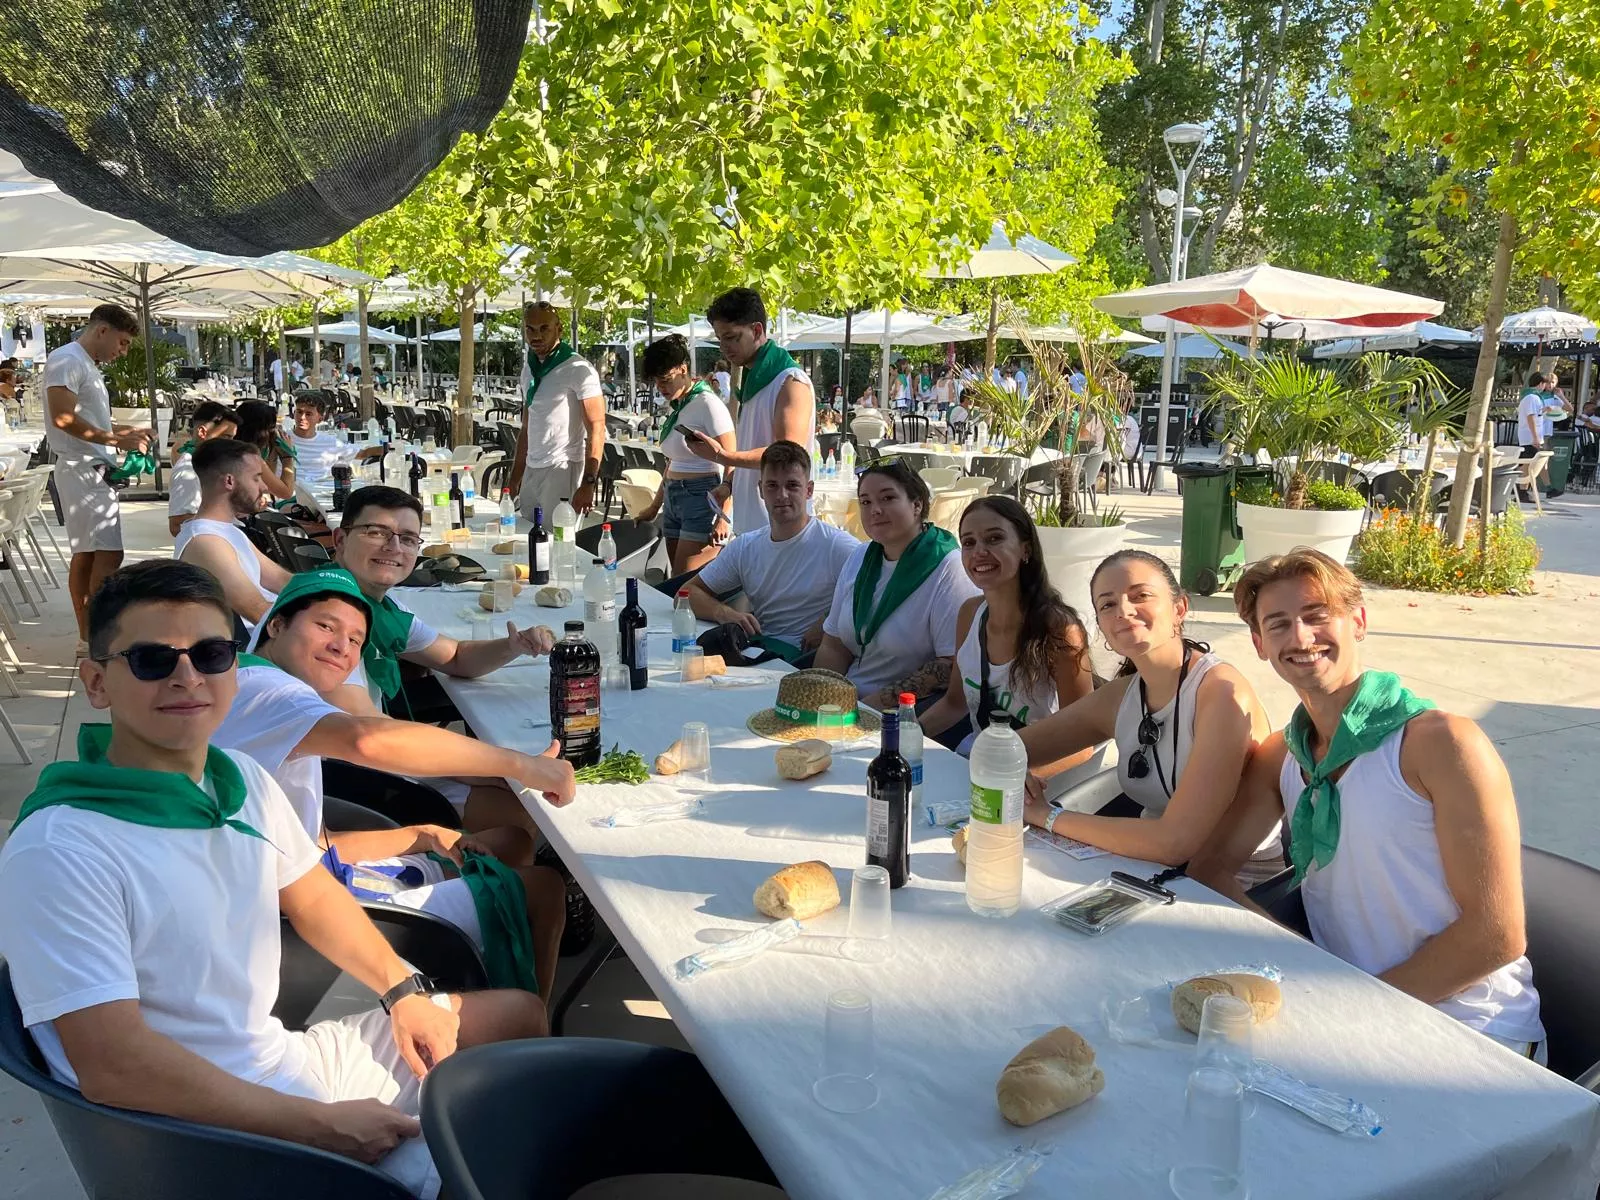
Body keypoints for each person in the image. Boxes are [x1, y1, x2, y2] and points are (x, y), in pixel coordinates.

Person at [0, 560, 547, 1198]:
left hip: (279, 1062)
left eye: (211, 654)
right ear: (97, 682)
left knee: (516, 1019)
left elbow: (312, 894)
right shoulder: (62, 848)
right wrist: (321, 1126)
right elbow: (115, 1067)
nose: (188, 677)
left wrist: (404, 991)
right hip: (209, 1136)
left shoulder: (237, 779)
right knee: (496, 1146)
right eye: (152, 660)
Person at [1189, 550, 1545, 1058]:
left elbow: (1496, 935)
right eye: (1279, 624)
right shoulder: (1283, 754)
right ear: (1260, 644)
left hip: (1472, 1032)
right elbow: (1210, 869)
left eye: (1317, 615)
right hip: (1347, 1017)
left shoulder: (1440, 744)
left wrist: (1349, 1006)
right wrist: (1304, 966)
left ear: (1358, 621)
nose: (1301, 638)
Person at [212, 568, 572, 998]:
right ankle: (518, 1018)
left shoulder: (255, 681)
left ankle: (480, 977)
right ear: (276, 625)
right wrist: (520, 765)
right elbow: (366, 739)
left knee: (512, 841)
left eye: (355, 641)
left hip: (311, 873)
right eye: (325, 626)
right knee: (545, 888)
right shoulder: (268, 691)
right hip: (294, 918)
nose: (341, 647)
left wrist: (422, 834)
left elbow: (311, 842)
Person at [1017, 549, 1281, 882]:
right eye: (1107, 605)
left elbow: (1175, 843)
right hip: (1147, 872)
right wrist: (1012, 771)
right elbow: (1004, 749)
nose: (1123, 611)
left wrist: (1045, 815)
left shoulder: (1221, 694)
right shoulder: (1122, 696)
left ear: (1179, 608)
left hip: (1230, 887)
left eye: (1140, 595)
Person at [325, 486, 557, 835]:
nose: (393, 547)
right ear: (340, 539)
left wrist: (513, 646)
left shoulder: (377, 606)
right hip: (340, 782)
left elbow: (456, 657)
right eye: (376, 532)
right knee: (522, 819)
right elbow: (368, 733)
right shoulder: (328, 617)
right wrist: (496, 767)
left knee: (521, 812)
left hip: (369, 759)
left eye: (407, 538)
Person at [917, 497, 1100, 778]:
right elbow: (955, 704)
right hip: (975, 766)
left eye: (994, 539)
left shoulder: (1059, 630)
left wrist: (1016, 781)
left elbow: (1083, 743)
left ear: (1025, 549)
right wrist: (905, 734)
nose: (979, 552)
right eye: (969, 542)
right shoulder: (969, 614)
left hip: (1032, 780)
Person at [814, 457, 978, 710]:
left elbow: (951, 666)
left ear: (917, 504)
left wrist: (867, 708)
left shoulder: (948, 568)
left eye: (887, 498)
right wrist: (819, 701)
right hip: (846, 703)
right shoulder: (860, 557)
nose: (875, 510)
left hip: (904, 713)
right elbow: (834, 645)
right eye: (866, 502)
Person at [687, 441, 857, 664]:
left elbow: (878, 589)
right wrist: (723, 613)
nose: (782, 495)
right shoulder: (745, 546)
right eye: (772, 486)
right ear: (760, 489)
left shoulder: (836, 545)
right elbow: (687, 593)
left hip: (805, 662)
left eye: (792, 486)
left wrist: (830, 621)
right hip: (758, 652)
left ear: (809, 490)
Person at [44, 302, 152, 651]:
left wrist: (123, 431)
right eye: (122, 342)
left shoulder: (83, 363)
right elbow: (62, 418)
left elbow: (85, 419)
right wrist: (116, 440)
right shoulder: (67, 359)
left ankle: (91, 635)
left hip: (90, 470)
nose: (123, 351)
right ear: (102, 330)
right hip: (81, 470)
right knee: (102, 555)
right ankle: (93, 635)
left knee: (94, 554)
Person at [690, 288, 815, 535]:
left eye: (731, 337)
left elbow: (788, 453)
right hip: (752, 524)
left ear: (757, 331)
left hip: (779, 529)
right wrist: (729, 484)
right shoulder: (752, 380)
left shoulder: (791, 381)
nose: (724, 347)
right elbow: (753, 445)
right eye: (720, 339)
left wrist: (723, 456)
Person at [635, 334, 737, 575]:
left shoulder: (707, 403)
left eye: (666, 380)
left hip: (702, 496)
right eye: (656, 382)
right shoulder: (681, 404)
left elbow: (732, 460)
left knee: (685, 581)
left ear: (683, 369)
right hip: (673, 496)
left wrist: (724, 516)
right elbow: (673, 462)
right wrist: (655, 506)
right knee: (676, 579)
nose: (661, 388)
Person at [174, 438, 291, 626]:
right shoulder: (205, 542)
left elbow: (282, 579)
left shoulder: (226, 530)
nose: (264, 487)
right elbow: (260, 613)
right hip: (264, 639)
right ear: (229, 481)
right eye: (256, 478)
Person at [510, 300, 606, 522]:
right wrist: (515, 479)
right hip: (532, 468)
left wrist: (589, 483)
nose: (536, 336)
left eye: (544, 328)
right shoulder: (529, 369)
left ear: (559, 329)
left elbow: (597, 428)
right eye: (530, 329)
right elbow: (527, 426)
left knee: (560, 540)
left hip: (563, 467)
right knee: (527, 536)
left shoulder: (578, 369)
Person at [167, 400, 239, 535]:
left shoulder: (209, 463)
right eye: (226, 437)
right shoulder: (189, 470)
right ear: (202, 432)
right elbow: (177, 525)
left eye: (233, 438)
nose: (231, 444)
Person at [290, 391, 359, 493]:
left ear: (320, 419)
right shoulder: (282, 439)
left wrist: (384, 448)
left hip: (320, 493)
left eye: (308, 414)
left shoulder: (331, 443)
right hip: (291, 494)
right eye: (299, 412)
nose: (302, 417)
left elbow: (362, 453)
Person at [235, 399, 299, 502]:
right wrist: (288, 457)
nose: (276, 432)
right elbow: (286, 492)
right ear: (259, 432)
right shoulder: (249, 458)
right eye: (273, 428)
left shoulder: (230, 448)